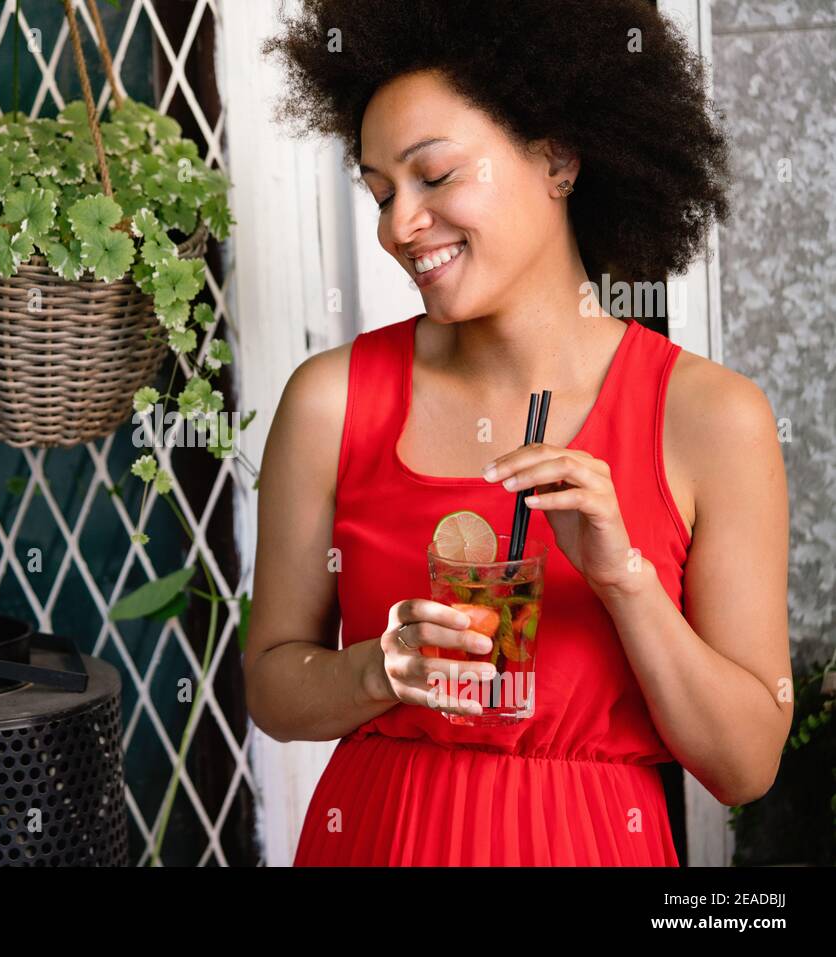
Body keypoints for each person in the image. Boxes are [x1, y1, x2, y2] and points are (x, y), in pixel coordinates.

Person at [245, 0, 791, 865]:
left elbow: (747, 762)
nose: (397, 226)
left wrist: (624, 578)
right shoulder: (330, 400)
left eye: (434, 176)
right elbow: (274, 682)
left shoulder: (713, 416)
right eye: (381, 192)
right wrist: (377, 670)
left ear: (558, 158)